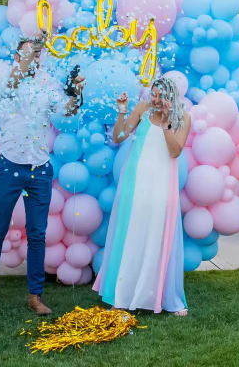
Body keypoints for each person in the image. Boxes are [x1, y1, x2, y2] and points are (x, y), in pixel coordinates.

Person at [0, 35, 85, 315]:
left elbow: (68, 110)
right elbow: (15, 79)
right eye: (28, 54)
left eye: (37, 55)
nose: (33, 58)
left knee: (37, 234)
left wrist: (76, 93)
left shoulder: (45, 89)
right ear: (16, 57)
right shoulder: (5, 84)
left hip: (40, 169)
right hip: (9, 167)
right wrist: (30, 53)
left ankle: (35, 296)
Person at [93, 78, 191, 315]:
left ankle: (161, 297)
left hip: (162, 185)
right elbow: (119, 137)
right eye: (153, 94)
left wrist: (166, 124)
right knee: (132, 235)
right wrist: (122, 112)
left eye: (161, 96)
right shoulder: (142, 109)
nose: (155, 100)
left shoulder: (184, 118)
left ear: (171, 97)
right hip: (135, 182)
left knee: (157, 234)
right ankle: (122, 295)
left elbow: (175, 151)